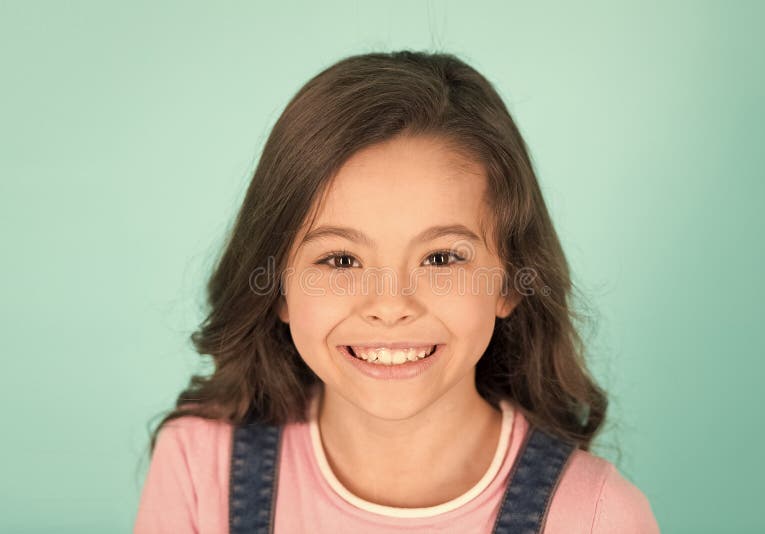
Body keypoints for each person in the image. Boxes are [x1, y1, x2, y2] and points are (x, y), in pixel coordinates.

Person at [134, 50, 660, 533]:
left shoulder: (596, 515)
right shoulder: (200, 469)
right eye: (340, 260)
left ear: (511, 281)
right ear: (277, 288)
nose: (389, 306)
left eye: (441, 258)